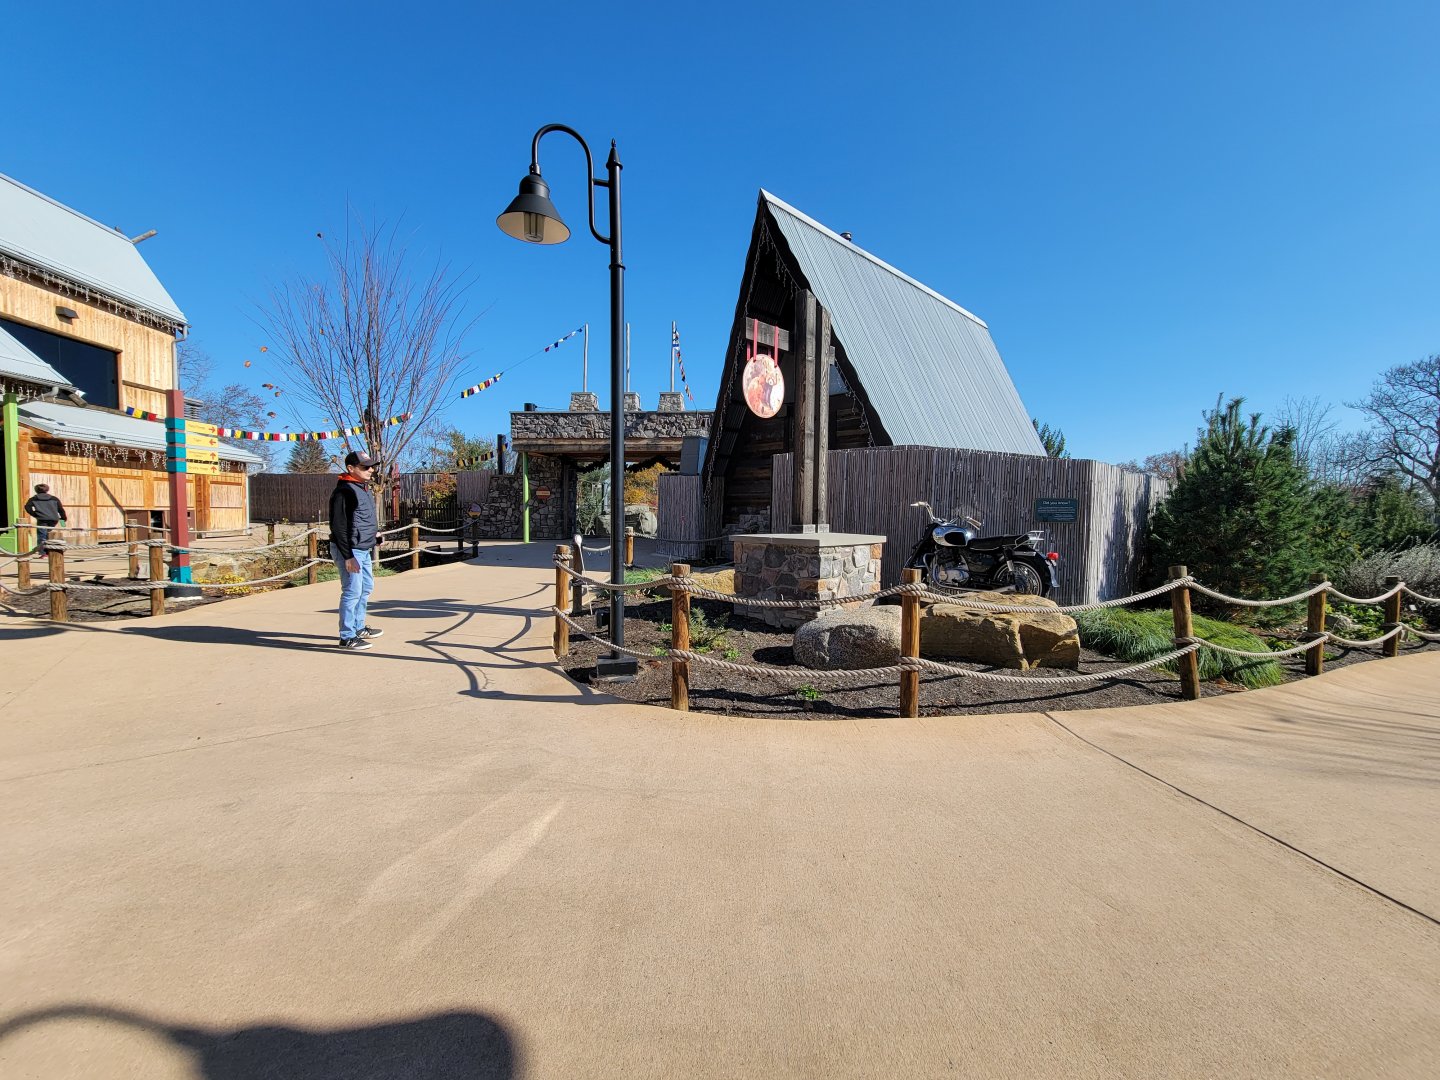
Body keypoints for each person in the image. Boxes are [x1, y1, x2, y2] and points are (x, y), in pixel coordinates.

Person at [329, 449, 385, 651]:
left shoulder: (362, 487)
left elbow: (362, 519)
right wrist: (348, 556)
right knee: (352, 592)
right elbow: (339, 526)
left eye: (371, 466)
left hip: (363, 548)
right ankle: (347, 636)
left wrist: (375, 536)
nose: (371, 470)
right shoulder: (344, 491)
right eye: (365, 467)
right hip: (351, 551)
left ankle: (358, 627)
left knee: (366, 588)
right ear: (351, 468)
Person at [23, 483, 67, 549]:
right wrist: (63, 519)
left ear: (36, 490)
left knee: (41, 535)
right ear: (47, 490)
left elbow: (27, 507)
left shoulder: (33, 499)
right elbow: (60, 509)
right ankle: (50, 549)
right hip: (53, 519)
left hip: (42, 519)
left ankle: (43, 552)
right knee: (48, 534)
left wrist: (35, 514)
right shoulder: (54, 499)